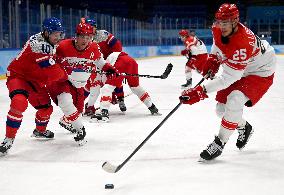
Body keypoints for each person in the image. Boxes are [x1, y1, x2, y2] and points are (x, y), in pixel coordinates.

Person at [179, 3, 276, 161]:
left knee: (235, 99)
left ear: (235, 21)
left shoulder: (242, 44)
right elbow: (217, 44)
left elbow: (228, 78)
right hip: (245, 67)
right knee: (221, 109)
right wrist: (213, 58)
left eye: (226, 23)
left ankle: (219, 143)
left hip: (261, 71)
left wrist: (200, 91)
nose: (221, 26)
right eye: (219, 22)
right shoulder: (217, 28)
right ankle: (245, 127)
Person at [0, 17, 67, 155]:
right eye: (56, 34)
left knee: (46, 110)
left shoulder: (47, 41)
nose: (58, 37)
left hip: (35, 80)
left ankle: (40, 131)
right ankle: (8, 139)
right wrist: (68, 74)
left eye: (60, 34)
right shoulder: (39, 45)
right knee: (19, 102)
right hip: (19, 76)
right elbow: (55, 74)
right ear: (47, 33)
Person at [49, 22, 118, 137]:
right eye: (82, 37)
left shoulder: (94, 48)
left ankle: (65, 120)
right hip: (65, 82)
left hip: (79, 85)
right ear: (76, 36)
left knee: (79, 111)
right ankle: (77, 128)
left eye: (88, 37)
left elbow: (101, 63)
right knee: (66, 102)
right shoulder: (63, 46)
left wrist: (109, 69)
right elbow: (50, 60)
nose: (85, 40)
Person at [92, 51, 160, 122]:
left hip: (121, 63)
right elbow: (117, 85)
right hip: (132, 62)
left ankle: (104, 112)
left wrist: (111, 99)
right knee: (135, 87)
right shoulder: (111, 57)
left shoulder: (104, 66)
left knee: (107, 88)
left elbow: (108, 86)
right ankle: (152, 107)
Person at [81, 18, 127, 114]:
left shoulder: (103, 34)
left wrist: (115, 59)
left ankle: (120, 99)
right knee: (92, 84)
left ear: (95, 28)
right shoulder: (84, 37)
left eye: (91, 27)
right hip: (97, 63)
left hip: (110, 62)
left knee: (115, 78)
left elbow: (117, 46)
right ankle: (80, 102)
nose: (88, 29)